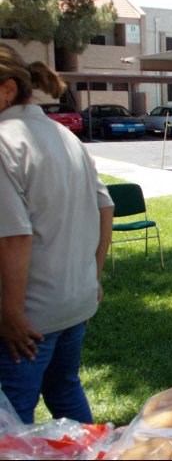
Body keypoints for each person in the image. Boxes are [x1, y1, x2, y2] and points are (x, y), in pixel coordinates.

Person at [0, 43, 114, 424]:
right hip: (75, 301)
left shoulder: (4, 141)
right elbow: (105, 207)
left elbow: (14, 236)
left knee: (12, 417)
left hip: (28, 316)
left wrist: (11, 312)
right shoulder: (65, 136)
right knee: (64, 389)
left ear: (7, 89)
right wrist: (92, 278)